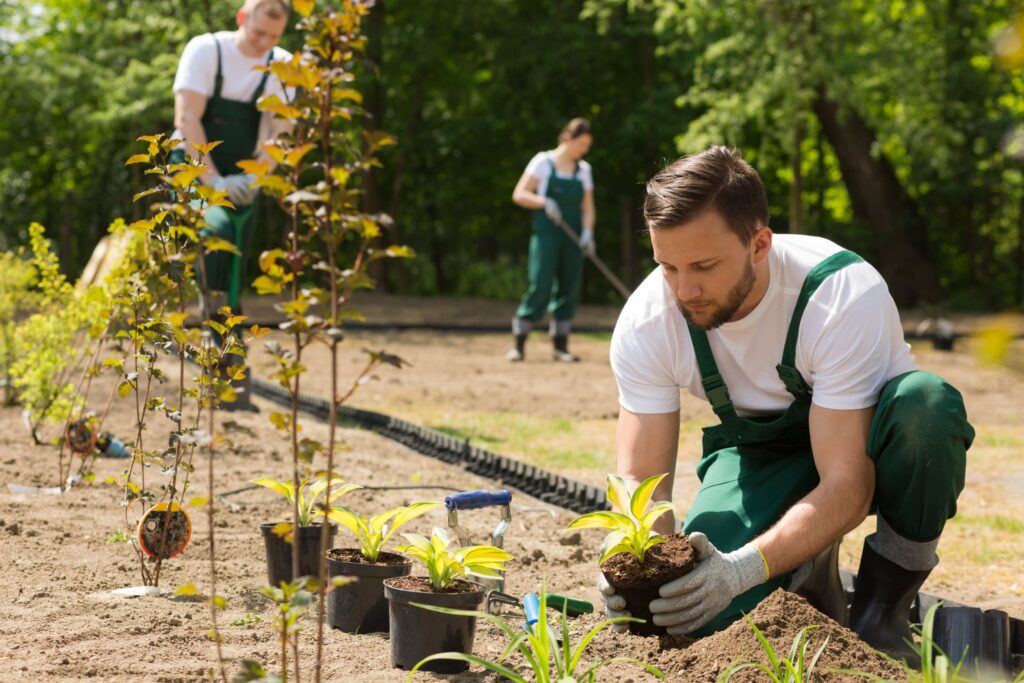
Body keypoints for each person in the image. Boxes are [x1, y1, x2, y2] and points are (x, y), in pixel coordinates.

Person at [601, 146, 973, 664]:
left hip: (870, 444)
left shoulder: (839, 294)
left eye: (704, 266)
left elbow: (847, 484)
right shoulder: (648, 321)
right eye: (668, 267)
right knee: (702, 612)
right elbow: (641, 485)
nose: (685, 289)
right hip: (760, 456)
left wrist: (743, 568)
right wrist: (638, 567)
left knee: (926, 408)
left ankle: (882, 611)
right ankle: (807, 576)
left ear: (759, 244)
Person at [171, 0, 292, 313]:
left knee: (237, 253)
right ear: (242, 18)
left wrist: (257, 176)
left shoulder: (282, 65)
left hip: (241, 173)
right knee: (217, 230)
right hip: (191, 164)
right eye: (259, 33)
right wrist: (212, 182)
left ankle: (228, 345)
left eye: (274, 37)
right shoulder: (207, 51)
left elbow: (280, 132)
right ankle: (215, 325)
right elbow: (187, 119)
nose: (264, 43)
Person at [508, 118, 597, 363]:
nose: (583, 150)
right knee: (541, 284)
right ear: (567, 138)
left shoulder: (584, 170)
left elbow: (588, 207)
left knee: (569, 287)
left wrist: (588, 233)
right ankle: (519, 344)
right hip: (546, 235)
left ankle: (561, 347)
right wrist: (543, 202)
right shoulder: (542, 162)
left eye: (587, 146)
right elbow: (519, 194)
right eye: (581, 144)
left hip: (573, 238)